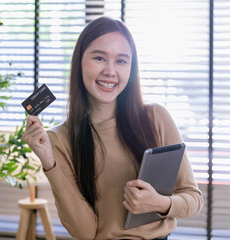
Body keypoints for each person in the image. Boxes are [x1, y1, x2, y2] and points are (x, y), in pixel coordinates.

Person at [22, 16, 203, 240]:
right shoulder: (58, 139)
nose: (110, 71)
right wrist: (49, 162)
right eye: (99, 58)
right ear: (79, 62)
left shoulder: (156, 118)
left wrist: (161, 203)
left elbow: (193, 198)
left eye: (121, 61)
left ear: (131, 68)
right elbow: (85, 233)